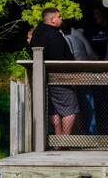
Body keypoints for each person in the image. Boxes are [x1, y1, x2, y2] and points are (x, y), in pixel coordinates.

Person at [29, 7, 77, 138]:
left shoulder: (37, 33)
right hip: (59, 77)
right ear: (53, 19)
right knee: (69, 108)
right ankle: (64, 141)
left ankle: (57, 142)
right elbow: (60, 58)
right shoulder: (54, 35)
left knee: (53, 110)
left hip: (42, 78)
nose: (61, 19)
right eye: (59, 17)